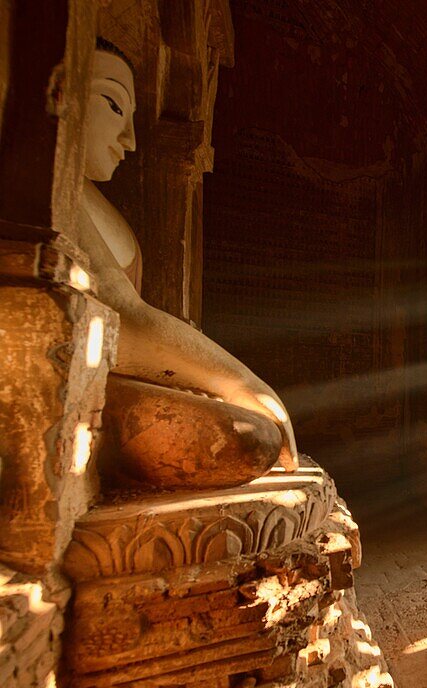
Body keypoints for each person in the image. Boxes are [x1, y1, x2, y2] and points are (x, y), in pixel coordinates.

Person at [77, 38, 297, 487]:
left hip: (129, 374)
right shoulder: (52, 192)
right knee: (246, 435)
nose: (130, 140)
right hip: (91, 380)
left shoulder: (97, 203)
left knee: (248, 428)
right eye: (114, 106)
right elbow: (123, 317)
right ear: (61, 91)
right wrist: (245, 383)